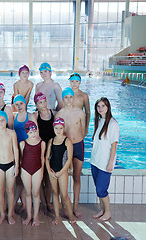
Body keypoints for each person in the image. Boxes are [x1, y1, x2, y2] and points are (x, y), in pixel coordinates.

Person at [55, 87, 85, 218]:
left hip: (78, 146)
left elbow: (83, 132)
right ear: (62, 99)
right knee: (64, 179)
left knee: (77, 177)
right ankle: (65, 207)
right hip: (65, 148)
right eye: (66, 97)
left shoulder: (80, 113)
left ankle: (75, 207)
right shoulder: (59, 114)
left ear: (74, 98)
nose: (68, 99)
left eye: (71, 97)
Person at [0, 111, 19, 225]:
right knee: (0, 191)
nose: (0, 122)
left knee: (10, 191)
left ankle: (10, 214)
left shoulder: (12, 133)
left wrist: (17, 166)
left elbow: (16, 149)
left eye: (3, 120)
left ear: (6, 121)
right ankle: (2, 215)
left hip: (10, 165)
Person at [91, 97, 119, 222]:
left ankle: (107, 212)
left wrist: (110, 163)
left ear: (108, 107)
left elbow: (114, 144)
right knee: (98, 189)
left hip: (105, 163)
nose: (100, 108)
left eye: (103, 106)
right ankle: (102, 210)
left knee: (101, 190)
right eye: (98, 106)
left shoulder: (113, 124)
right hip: (95, 161)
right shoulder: (99, 121)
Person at [45, 117, 76, 225]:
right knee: (55, 193)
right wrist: (49, 171)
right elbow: (47, 158)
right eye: (56, 128)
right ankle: (57, 216)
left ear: (64, 128)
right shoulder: (51, 141)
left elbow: (69, 159)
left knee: (64, 194)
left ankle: (71, 215)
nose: (58, 130)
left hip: (62, 171)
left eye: (60, 128)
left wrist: (61, 172)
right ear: (53, 128)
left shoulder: (67, 141)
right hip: (52, 171)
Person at [32, 92, 56, 213]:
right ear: (36, 104)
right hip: (40, 149)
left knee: (49, 177)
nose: (44, 104)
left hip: (51, 149)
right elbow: (35, 134)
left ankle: (48, 202)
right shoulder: (35, 115)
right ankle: (43, 204)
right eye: (40, 102)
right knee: (40, 178)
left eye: (45, 101)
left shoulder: (53, 113)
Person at [19, 121, 45, 226]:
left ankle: (36, 217)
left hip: (37, 169)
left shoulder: (42, 143)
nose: (34, 134)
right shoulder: (22, 143)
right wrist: (20, 170)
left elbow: (42, 158)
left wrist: (42, 171)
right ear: (26, 133)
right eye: (31, 132)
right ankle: (29, 216)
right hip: (25, 169)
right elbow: (22, 158)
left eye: (35, 131)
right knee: (28, 193)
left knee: (36, 193)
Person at [13, 94, 36, 212]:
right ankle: (24, 205)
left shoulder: (30, 115)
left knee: (24, 179)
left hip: (28, 151)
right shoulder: (14, 116)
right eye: (16, 104)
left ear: (25, 103)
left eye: (21, 103)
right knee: (18, 179)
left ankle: (12, 206)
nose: (19, 106)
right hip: (17, 150)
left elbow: (36, 134)